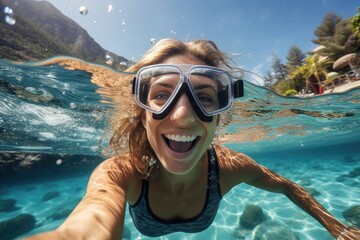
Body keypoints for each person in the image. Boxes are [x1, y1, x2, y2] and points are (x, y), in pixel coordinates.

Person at [26, 38, 359, 240]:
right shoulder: (120, 174)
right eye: (161, 95)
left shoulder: (229, 168)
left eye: (206, 97)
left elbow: (286, 186)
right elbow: (89, 223)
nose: (184, 115)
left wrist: (335, 226)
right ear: (140, 112)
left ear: (218, 118)